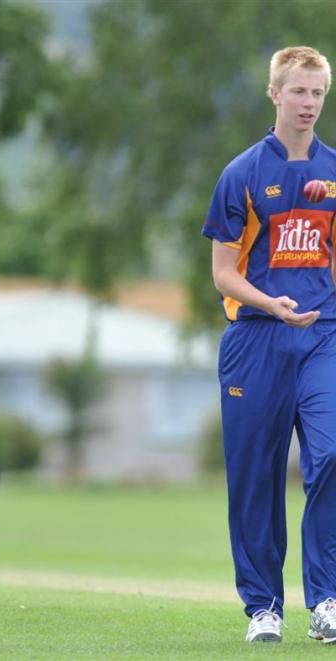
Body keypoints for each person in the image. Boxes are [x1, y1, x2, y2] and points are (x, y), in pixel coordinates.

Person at [202, 46, 336, 644]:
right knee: (254, 477)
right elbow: (224, 273)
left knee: (331, 456)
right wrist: (271, 304)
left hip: (325, 338)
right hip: (255, 339)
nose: (308, 104)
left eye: (318, 93)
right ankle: (264, 608)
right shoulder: (242, 173)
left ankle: (327, 599)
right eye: (298, 92)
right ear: (274, 94)